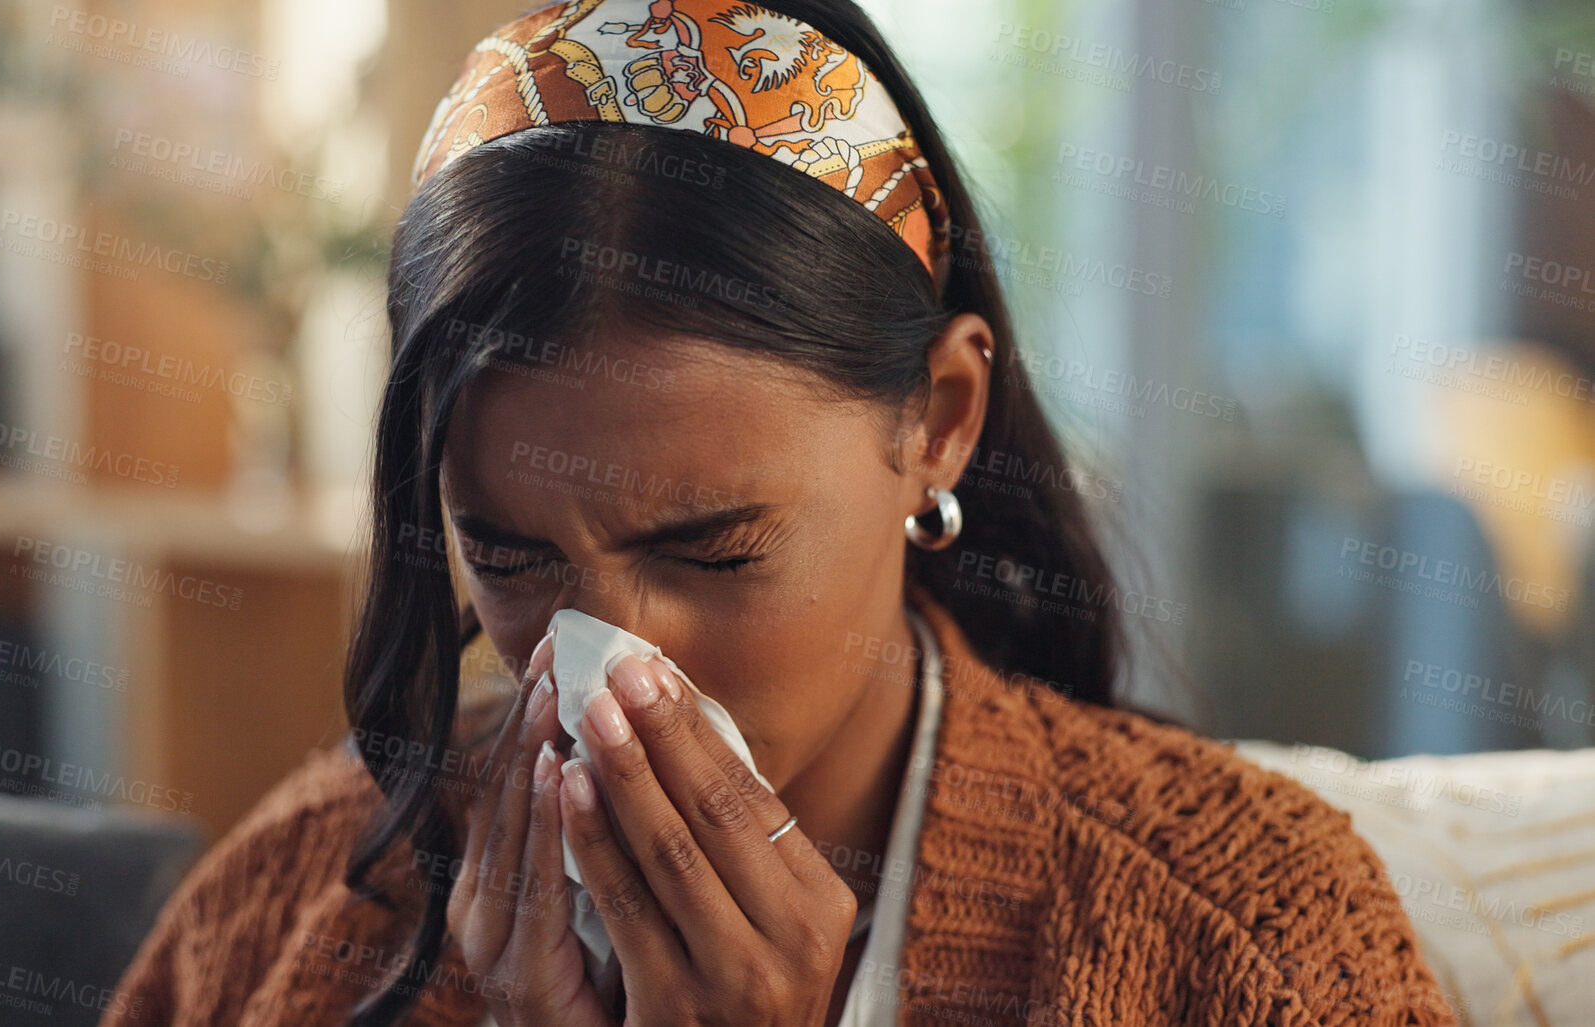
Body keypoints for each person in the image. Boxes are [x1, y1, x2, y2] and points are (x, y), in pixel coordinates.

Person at [101, 1, 1457, 1023]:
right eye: (506, 554)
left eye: (714, 548)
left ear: (938, 422)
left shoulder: (1250, 938)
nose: (602, 670)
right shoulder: (303, 900)